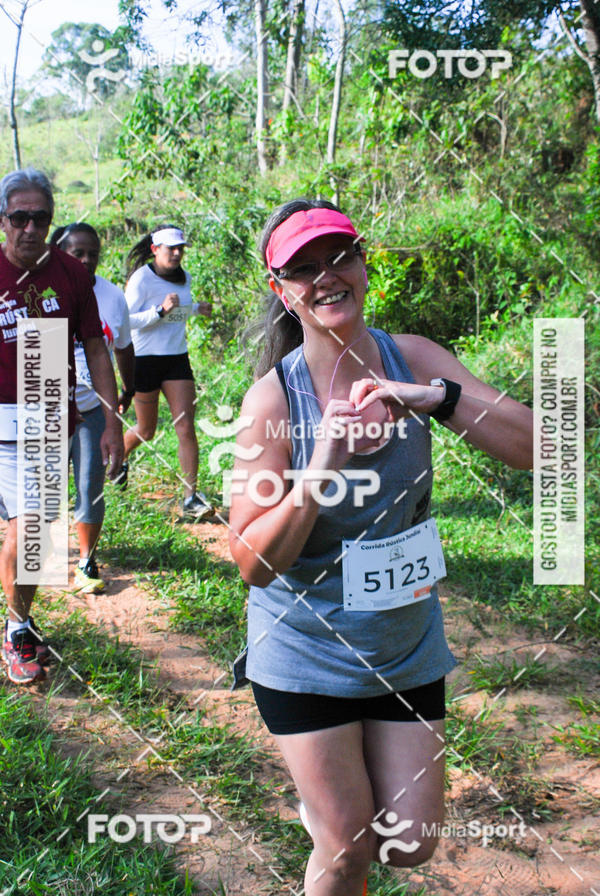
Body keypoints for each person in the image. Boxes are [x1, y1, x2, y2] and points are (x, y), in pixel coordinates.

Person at [228, 199, 533, 896]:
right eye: (302, 269)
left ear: (364, 266)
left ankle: (344, 817)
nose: (326, 277)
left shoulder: (413, 355)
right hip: (306, 649)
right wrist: (321, 465)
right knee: (346, 847)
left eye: (339, 257)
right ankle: (333, 828)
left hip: (405, 641)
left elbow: (537, 447)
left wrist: (437, 398)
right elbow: (251, 561)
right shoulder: (273, 404)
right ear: (282, 292)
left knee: (411, 845)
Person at [0, 168, 123, 685]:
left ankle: (17, 627)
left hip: (44, 402)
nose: (31, 227)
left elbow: (95, 345)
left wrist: (112, 420)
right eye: (20, 217)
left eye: (40, 218)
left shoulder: (72, 274)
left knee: (33, 535)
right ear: (4, 220)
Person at [49, 223, 135, 594]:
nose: (86, 260)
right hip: (44, 407)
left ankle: (86, 559)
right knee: (42, 491)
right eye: (76, 252)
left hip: (91, 408)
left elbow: (121, 347)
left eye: (92, 253)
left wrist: (126, 390)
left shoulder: (112, 297)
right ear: (59, 251)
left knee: (89, 486)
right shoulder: (40, 290)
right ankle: (37, 556)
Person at [120, 225, 213, 520]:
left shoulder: (184, 277)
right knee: (146, 430)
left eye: (180, 248)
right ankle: (117, 460)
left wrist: (197, 309)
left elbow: (176, 313)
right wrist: (158, 311)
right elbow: (126, 321)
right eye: (170, 248)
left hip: (176, 360)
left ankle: (190, 498)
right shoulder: (141, 279)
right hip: (144, 360)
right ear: (154, 249)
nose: (176, 253)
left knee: (185, 427)